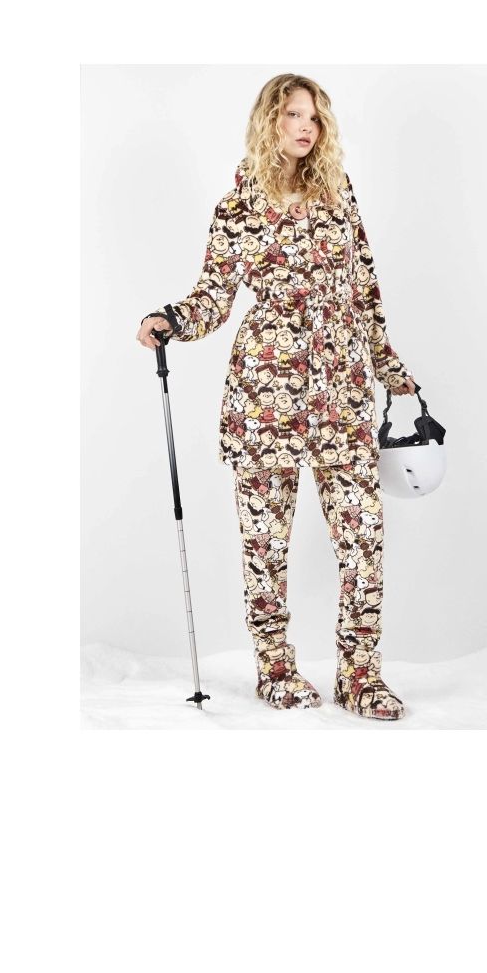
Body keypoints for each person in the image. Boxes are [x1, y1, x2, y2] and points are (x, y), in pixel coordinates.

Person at [137, 73, 418, 720]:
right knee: (265, 545)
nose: (304, 127)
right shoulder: (238, 207)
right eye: (292, 114)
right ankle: (275, 670)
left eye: (314, 117)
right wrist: (172, 320)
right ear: (270, 120)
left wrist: (388, 366)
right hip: (265, 397)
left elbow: (365, 289)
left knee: (364, 539)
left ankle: (360, 677)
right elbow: (214, 296)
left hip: (342, 394)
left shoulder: (338, 192)